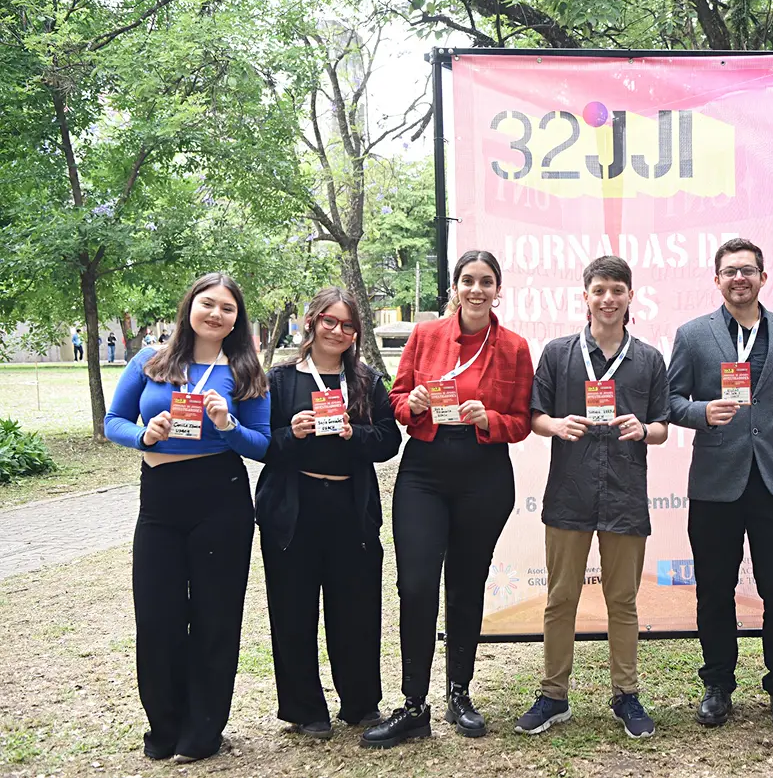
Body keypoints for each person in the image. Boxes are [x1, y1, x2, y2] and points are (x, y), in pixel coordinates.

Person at [361, 251, 534, 747]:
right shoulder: (425, 335)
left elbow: (522, 420)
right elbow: (396, 399)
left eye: (486, 282)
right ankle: (414, 705)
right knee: (416, 585)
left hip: (484, 474)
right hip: (424, 472)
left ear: (498, 289)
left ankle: (460, 693)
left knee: (465, 585)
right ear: (454, 287)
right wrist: (411, 403)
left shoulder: (514, 346)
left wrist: (489, 419)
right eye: (468, 281)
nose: (476, 290)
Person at [103, 273, 270, 764]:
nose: (216, 314)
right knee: (158, 618)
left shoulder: (244, 370)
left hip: (221, 496)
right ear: (189, 307)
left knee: (216, 618)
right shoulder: (150, 360)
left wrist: (228, 424)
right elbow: (113, 421)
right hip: (160, 499)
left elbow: (264, 445)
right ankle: (165, 727)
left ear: (236, 319)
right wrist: (144, 435)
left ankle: (203, 732)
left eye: (227, 308)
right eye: (208, 303)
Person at [515, 255, 669, 740]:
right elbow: (535, 415)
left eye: (617, 290)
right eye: (599, 290)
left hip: (625, 493)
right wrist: (556, 425)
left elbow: (663, 426)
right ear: (585, 297)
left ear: (630, 296)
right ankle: (553, 695)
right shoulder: (558, 353)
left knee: (622, 601)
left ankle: (626, 694)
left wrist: (644, 429)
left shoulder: (649, 359)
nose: (608, 299)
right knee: (561, 598)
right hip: (569, 492)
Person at [666, 238, 773, 730]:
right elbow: (670, 401)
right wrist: (702, 412)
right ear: (717, 280)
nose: (739, 278)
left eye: (748, 270)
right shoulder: (693, 334)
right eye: (730, 271)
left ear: (763, 277)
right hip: (716, 482)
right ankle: (717, 685)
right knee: (714, 589)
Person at [255, 288, 401, 741]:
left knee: (356, 609)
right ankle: (304, 709)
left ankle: (360, 703)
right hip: (293, 508)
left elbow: (389, 441)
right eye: (329, 322)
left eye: (348, 325)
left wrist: (354, 434)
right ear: (311, 322)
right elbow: (261, 443)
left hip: (350, 508)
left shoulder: (367, 381)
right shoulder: (280, 380)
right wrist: (291, 433)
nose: (338, 331)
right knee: (293, 610)